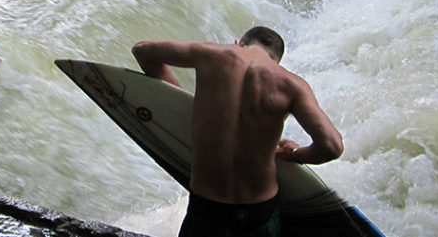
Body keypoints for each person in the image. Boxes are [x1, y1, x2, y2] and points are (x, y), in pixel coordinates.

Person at [132, 27, 343, 237]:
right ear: (276, 61)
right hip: (259, 211)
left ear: (238, 43)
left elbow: (142, 51)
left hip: (207, 207)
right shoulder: (290, 84)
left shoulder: (210, 54)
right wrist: (296, 154)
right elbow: (332, 146)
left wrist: (181, 101)